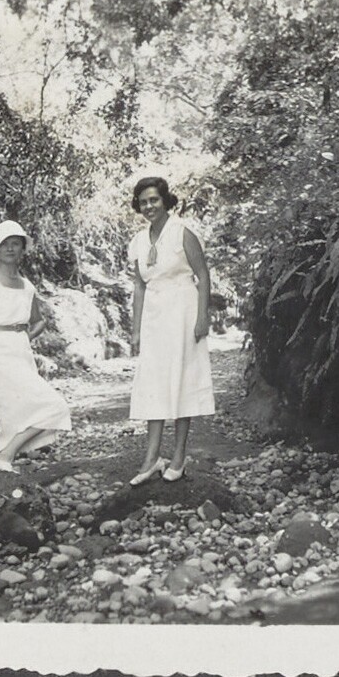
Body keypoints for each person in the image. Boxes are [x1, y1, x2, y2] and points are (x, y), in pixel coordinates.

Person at [128, 177, 215, 485]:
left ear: (165, 200)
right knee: (153, 382)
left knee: (182, 380)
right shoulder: (139, 240)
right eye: (143, 202)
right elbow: (140, 285)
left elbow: (203, 275)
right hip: (154, 315)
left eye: (154, 199)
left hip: (183, 311)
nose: (149, 206)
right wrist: (136, 329)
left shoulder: (182, 233)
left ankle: (178, 456)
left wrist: (202, 317)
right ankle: (152, 458)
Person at [0, 219, 71, 473]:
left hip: (20, 352)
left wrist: (22, 336)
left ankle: (4, 457)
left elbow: (39, 321)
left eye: (15, 243)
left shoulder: (27, 286)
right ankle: (5, 455)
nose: (10, 248)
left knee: (30, 406)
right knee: (52, 406)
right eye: (4, 244)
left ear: (23, 249)